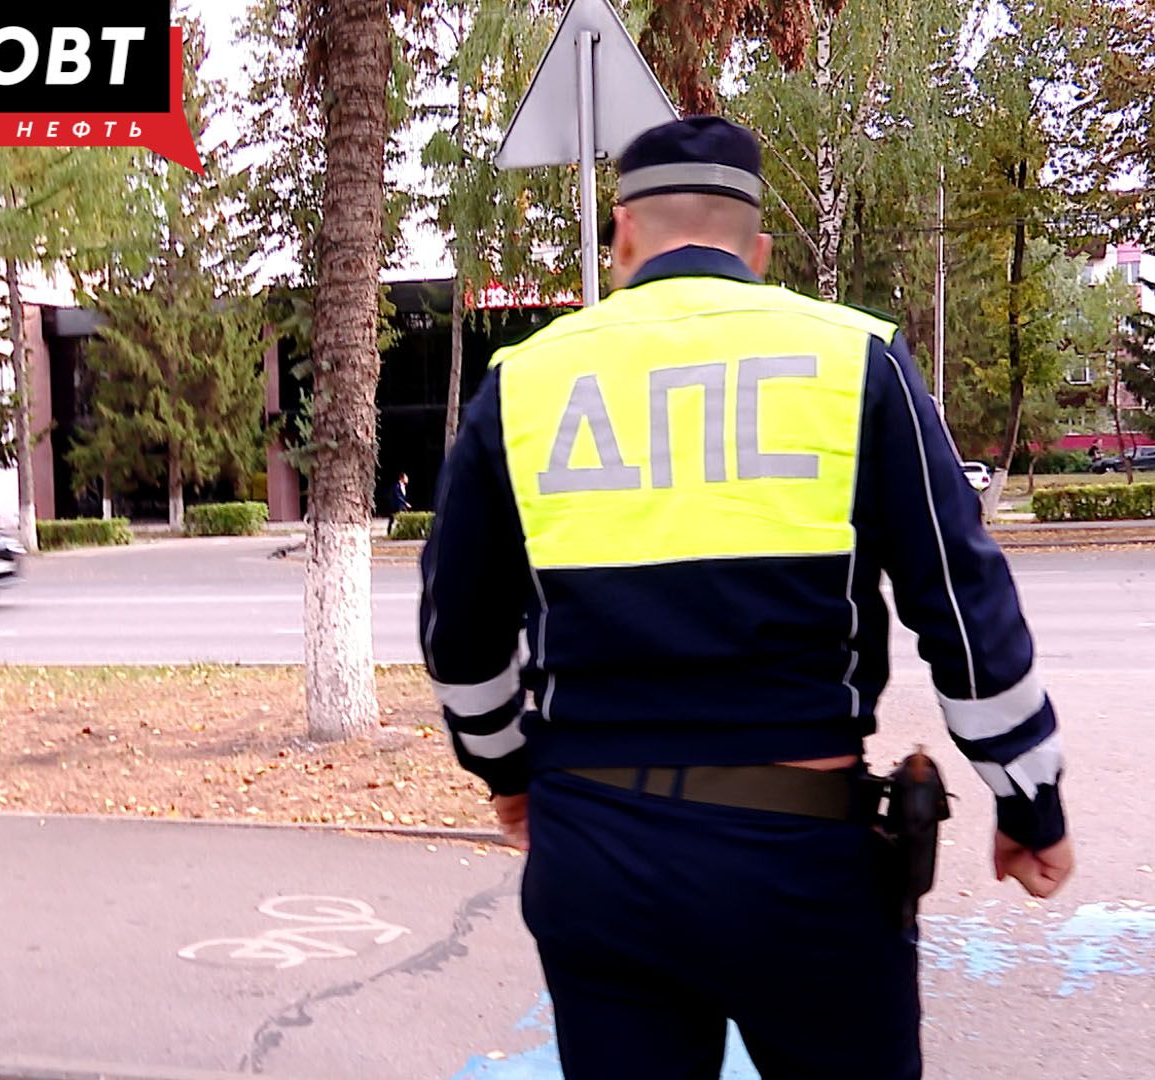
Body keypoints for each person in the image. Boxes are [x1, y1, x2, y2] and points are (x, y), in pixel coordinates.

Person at [419, 116, 1073, 1080]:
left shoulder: (525, 381)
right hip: (802, 856)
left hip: (597, 853)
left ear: (624, 237)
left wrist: (507, 777)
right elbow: (964, 608)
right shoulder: (858, 362)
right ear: (756, 250)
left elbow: (460, 636)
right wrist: (1030, 796)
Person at [386, 472, 409, 536]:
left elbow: (403, 496)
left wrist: (404, 504)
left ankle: (401, 532)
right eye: (406, 478)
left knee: (403, 519)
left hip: (401, 505)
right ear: (402, 478)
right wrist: (405, 503)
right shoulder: (396, 485)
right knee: (392, 519)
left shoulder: (404, 486)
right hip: (395, 505)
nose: (407, 479)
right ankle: (389, 533)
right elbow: (397, 496)